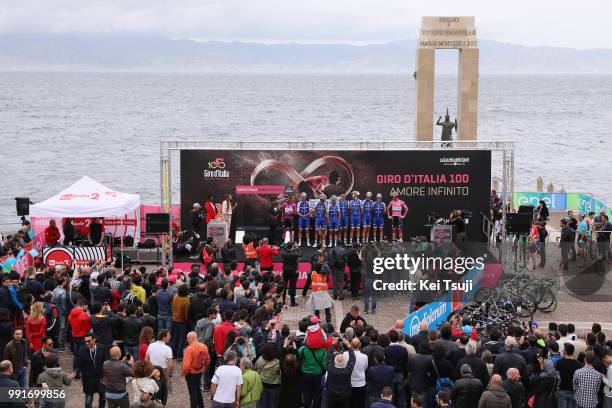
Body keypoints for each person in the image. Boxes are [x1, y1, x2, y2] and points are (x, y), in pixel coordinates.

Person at [72, 332, 108, 408]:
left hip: (101, 376)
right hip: (88, 378)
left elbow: (106, 361)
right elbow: (78, 363)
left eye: (89, 341)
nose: (87, 343)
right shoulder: (82, 350)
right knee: (88, 400)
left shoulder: (102, 348)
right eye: (86, 342)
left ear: (94, 339)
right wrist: (75, 371)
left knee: (104, 396)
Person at [182, 332, 210, 408]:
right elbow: (207, 360)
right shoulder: (204, 346)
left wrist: (184, 373)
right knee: (198, 390)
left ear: (191, 338)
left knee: (192, 392)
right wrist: (203, 368)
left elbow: (186, 365)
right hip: (199, 372)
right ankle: (201, 406)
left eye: (188, 339)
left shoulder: (189, 349)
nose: (187, 341)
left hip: (191, 373)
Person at [254, 342, 281, 408]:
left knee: (262, 403)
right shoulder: (277, 363)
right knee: (273, 404)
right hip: (274, 386)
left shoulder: (259, 360)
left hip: (262, 384)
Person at [343, 337, 368, 408]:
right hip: (360, 383)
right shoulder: (364, 357)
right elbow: (365, 368)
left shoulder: (345, 354)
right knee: (360, 403)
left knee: (350, 403)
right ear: (360, 345)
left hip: (349, 383)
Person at [556, 343, 582, 408]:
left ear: (565, 351)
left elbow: (557, 376)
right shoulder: (578, 364)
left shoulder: (559, 362)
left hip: (562, 389)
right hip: (573, 390)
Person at [171, 284, 190, 360]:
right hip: (182, 322)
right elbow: (186, 313)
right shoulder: (186, 300)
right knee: (182, 338)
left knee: (175, 337)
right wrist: (187, 321)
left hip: (174, 320)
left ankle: (174, 354)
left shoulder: (175, 296)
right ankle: (179, 356)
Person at [280, 241, 301, 306]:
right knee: (292, 286)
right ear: (292, 247)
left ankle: (283, 301)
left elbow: (283, 250)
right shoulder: (294, 254)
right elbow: (300, 254)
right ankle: (292, 302)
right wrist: (297, 248)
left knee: (284, 286)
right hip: (293, 272)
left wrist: (287, 247)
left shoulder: (283, 254)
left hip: (285, 271)